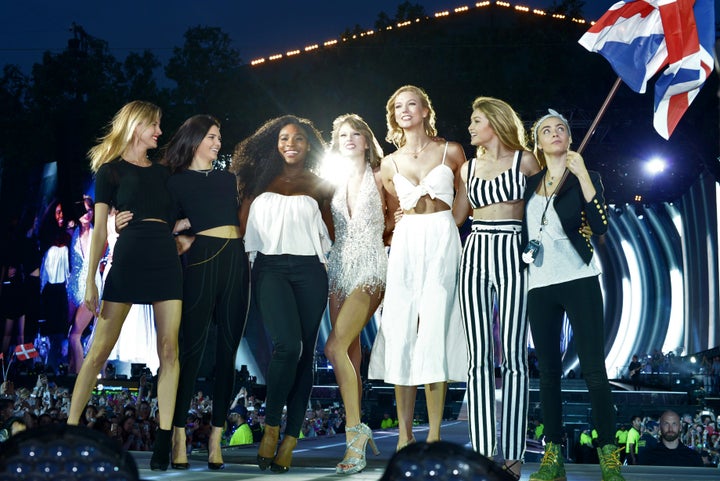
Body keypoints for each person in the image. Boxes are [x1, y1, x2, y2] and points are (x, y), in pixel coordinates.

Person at [65, 100, 183, 472]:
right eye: (155, 125)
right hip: (128, 261)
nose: (160, 132)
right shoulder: (109, 171)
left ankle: (163, 441)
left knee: (169, 350)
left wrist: (184, 237)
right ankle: (71, 433)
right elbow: (99, 229)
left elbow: (180, 219)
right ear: (137, 126)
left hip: (165, 260)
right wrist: (90, 281)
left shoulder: (165, 173)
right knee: (98, 351)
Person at [521, 109, 624, 481]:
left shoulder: (587, 176)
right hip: (539, 284)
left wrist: (582, 175)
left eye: (561, 128)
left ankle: (609, 457)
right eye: (546, 130)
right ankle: (553, 456)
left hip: (579, 278)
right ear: (539, 142)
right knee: (548, 374)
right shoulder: (529, 183)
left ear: (568, 137)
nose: (555, 133)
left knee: (595, 372)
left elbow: (600, 225)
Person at [232, 115, 333, 473]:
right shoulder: (257, 181)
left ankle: (291, 440)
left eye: (299, 138)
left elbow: (333, 236)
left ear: (309, 145)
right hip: (269, 269)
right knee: (288, 345)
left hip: (310, 273)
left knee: (305, 356)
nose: (291, 143)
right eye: (284, 137)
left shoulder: (322, 185)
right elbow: (241, 233)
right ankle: (272, 427)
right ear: (275, 144)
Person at [368, 85, 468, 450]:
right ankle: (405, 436)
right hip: (406, 243)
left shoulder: (451, 151)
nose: (405, 110)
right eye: (398, 106)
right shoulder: (388, 164)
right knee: (400, 328)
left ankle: (436, 433)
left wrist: (445, 226)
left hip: (442, 237)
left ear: (426, 110)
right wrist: (398, 224)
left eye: (412, 104)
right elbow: (383, 217)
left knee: (435, 327)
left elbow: (463, 204)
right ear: (393, 115)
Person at [453, 96, 540, 479]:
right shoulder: (468, 168)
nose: (470, 127)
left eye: (476, 121)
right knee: (478, 358)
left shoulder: (526, 161)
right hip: (475, 249)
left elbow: (544, 206)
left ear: (495, 122)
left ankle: (515, 453)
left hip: (513, 248)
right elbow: (457, 216)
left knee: (515, 359)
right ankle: (485, 452)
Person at [161, 114, 250, 471]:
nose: (217, 142)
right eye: (212, 137)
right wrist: (179, 228)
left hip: (235, 261)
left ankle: (216, 438)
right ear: (196, 139)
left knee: (228, 353)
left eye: (219, 137)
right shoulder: (176, 182)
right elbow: (164, 225)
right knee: (192, 353)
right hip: (200, 262)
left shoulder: (229, 179)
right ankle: (178, 434)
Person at [324, 113, 389, 474]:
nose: (349, 139)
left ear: (367, 141)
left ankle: (355, 433)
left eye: (356, 134)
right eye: (343, 135)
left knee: (332, 347)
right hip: (338, 269)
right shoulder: (332, 181)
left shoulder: (381, 176)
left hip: (370, 267)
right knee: (349, 353)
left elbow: (395, 218)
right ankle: (358, 430)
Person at [66, 195, 102, 374]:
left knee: (75, 336)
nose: (87, 214)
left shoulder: (98, 233)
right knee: (70, 333)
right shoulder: (73, 232)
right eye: (83, 210)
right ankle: (71, 373)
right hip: (72, 288)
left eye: (90, 210)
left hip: (91, 286)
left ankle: (80, 380)